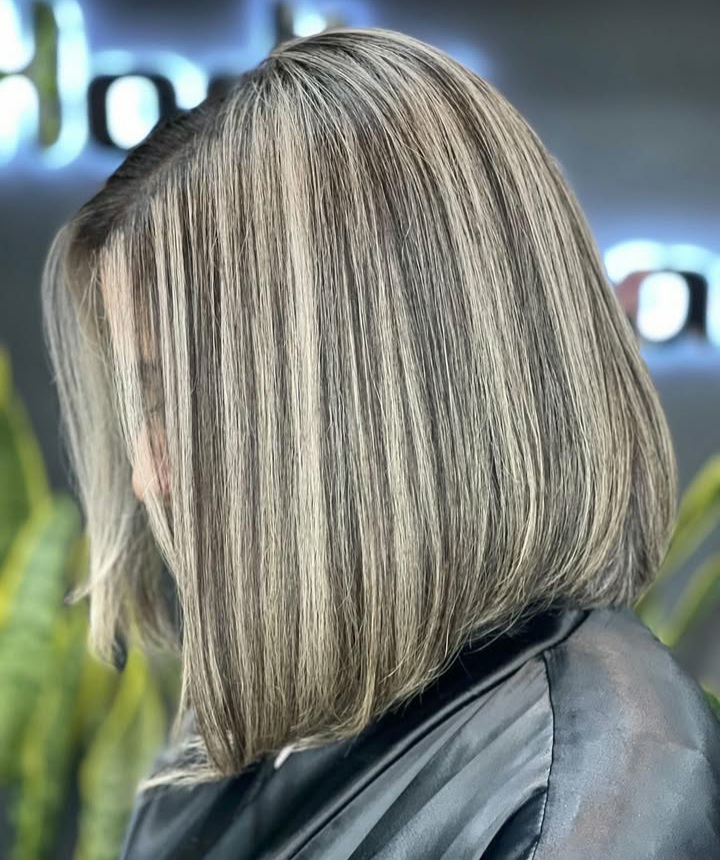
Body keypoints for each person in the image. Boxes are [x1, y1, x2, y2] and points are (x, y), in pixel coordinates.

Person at [40, 26, 720, 860]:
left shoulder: (591, 804)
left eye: (177, 407)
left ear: (355, 407)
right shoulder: (275, 711)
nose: (147, 474)